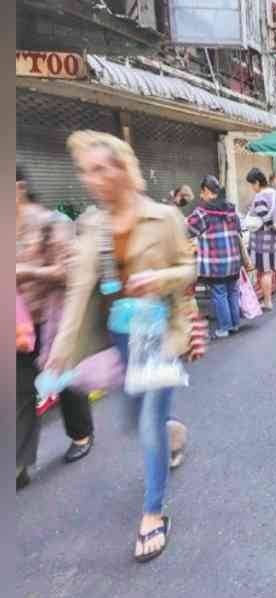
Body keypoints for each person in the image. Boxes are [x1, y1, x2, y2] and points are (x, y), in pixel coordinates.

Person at [46, 130, 196, 563]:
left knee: (147, 423)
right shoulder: (90, 223)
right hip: (118, 334)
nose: (91, 179)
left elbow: (189, 267)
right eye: (85, 171)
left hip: (159, 333)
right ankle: (174, 432)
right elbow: (78, 288)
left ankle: (153, 513)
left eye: (99, 168)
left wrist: (161, 280)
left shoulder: (164, 217)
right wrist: (62, 344)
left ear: (122, 168)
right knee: (135, 420)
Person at [15, 165, 96, 489]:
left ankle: (81, 433)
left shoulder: (52, 223)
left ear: (19, 187)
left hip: (52, 322)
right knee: (18, 393)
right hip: (18, 329)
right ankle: (18, 463)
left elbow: (68, 272)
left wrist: (27, 272)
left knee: (65, 383)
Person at [187, 176, 244, 339]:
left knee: (219, 293)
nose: (200, 195)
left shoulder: (203, 211)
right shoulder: (231, 208)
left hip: (217, 262)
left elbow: (189, 229)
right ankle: (234, 324)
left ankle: (224, 328)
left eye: (201, 192)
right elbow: (238, 229)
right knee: (232, 291)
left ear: (206, 190)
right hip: (233, 259)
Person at [245, 167, 276, 311]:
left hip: (262, 241)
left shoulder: (260, 197)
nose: (252, 188)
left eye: (252, 184)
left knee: (265, 271)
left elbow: (266, 220)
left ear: (257, 182)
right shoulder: (275, 193)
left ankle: (267, 302)